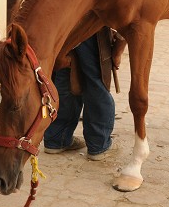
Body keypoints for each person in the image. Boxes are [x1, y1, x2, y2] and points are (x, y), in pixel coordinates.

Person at [44, 29, 126, 160]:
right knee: (96, 82)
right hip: (91, 27)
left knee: (67, 79)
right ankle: (99, 145)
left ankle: (57, 139)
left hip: (66, 27)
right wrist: (119, 49)